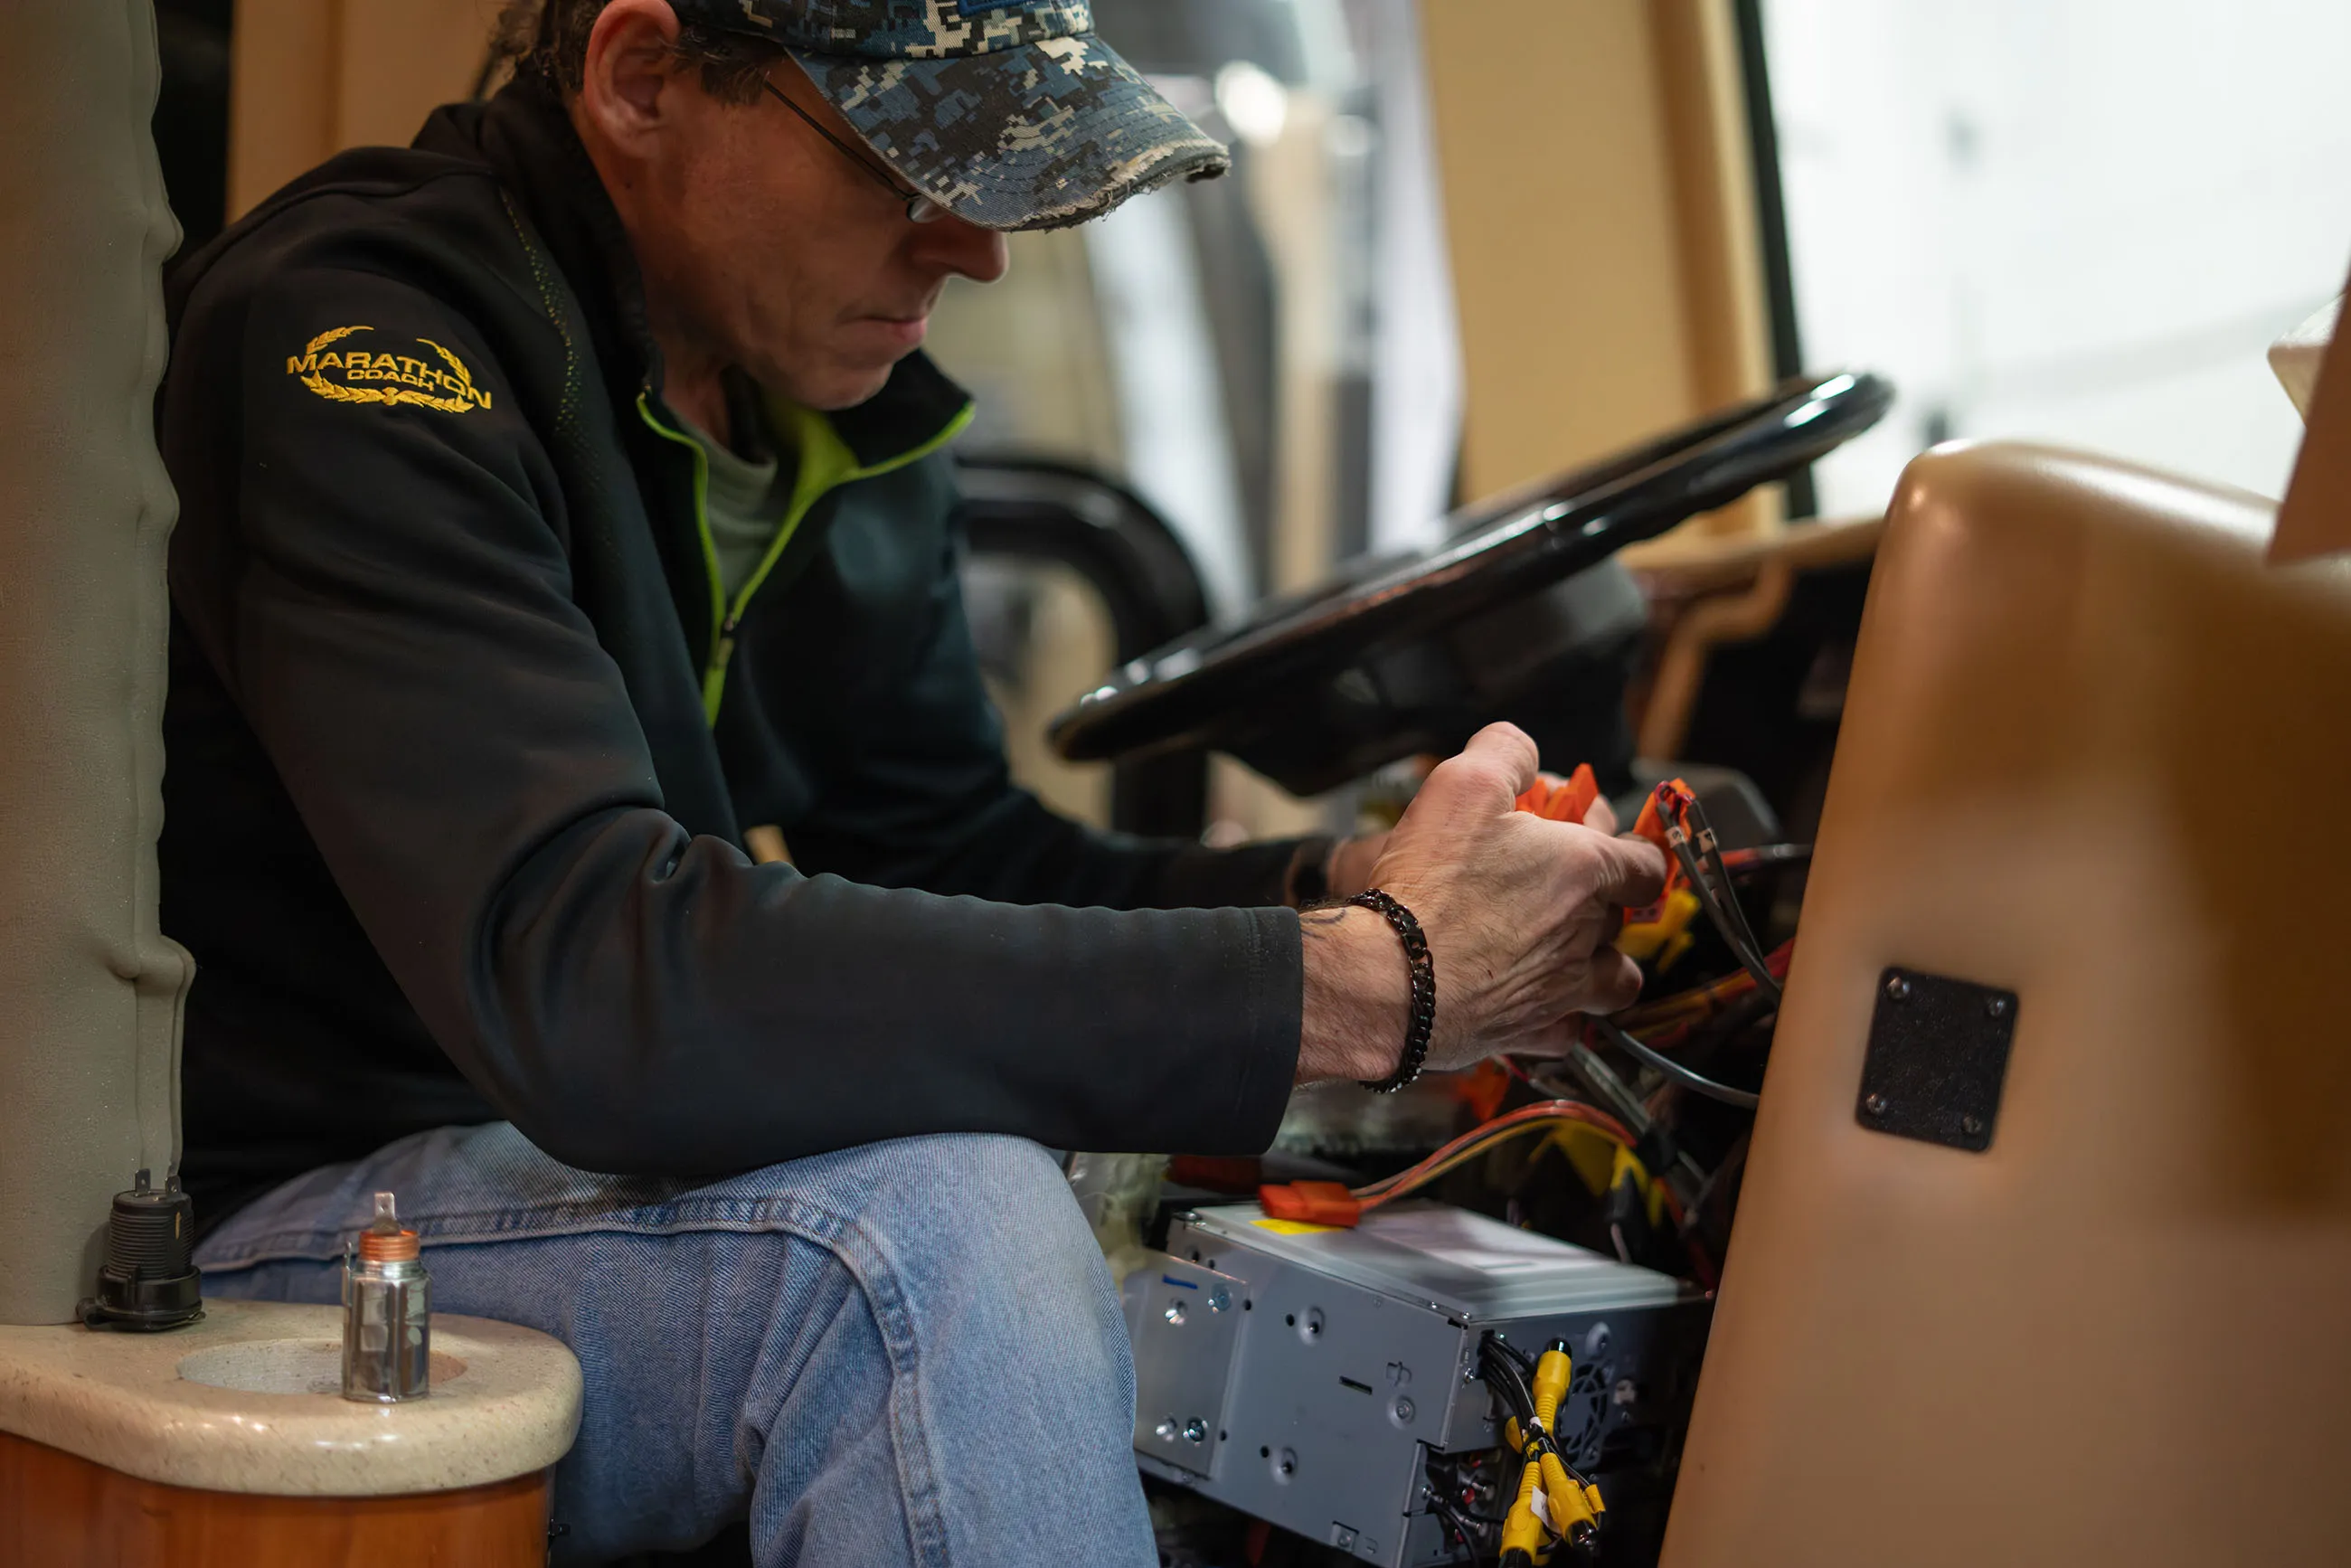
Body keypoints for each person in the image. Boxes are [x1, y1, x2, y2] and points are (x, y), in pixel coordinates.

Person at [158, 1, 1666, 1560]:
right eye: (909, 160)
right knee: (936, 1234)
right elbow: (589, 972)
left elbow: (952, 850)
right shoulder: (363, 341)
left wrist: (1338, 894)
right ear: (641, 78)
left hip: (585, 1176)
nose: (978, 247)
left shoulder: (820, 396)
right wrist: (1361, 989)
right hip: (287, 1226)